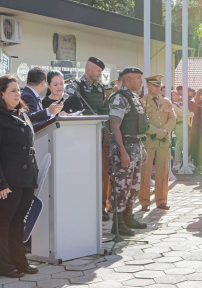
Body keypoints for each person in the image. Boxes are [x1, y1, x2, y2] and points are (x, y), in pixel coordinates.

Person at [0, 75, 39, 277]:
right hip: (8, 179)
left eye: (18, 90)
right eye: (13, 90)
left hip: (25, 177)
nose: (18, 94)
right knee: (3, 222)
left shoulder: (20, 114)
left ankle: (19, 261)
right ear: (2, 93)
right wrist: (0, 182)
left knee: (18, 221)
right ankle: (1, 265)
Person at [64, 57, 110, 221]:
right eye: (98, 71)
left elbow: (103, 108)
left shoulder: (100, 88)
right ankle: (83, 205)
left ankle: (101, 207)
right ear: (89, 69)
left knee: (101, 172)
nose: (99, 74)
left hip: (99, 134)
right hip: (81, 138)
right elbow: (67, 107)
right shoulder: (75, 86)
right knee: (84, 173)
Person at [106, 67, 149, 237]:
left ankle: (128, 217)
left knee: (133, 185)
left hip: (135, 145)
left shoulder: (134, 98)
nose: (141, 81)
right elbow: (114, 125)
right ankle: (117, 224)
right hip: (124, 147)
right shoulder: (119, 98)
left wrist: (142, 148)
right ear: (128, 80)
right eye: (138, 78)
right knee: (121, 187)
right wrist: (122, 151)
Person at [139, 75, 176, 211]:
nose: (157, 87)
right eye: (155, 85)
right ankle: (144, 201)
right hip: (149, 141)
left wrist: (164, 130)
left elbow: (172, 119)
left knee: (163, 172)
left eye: (159, 85)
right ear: (148, 86)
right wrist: (156, 131)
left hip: (163, 141)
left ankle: (161, 200)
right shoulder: (142, 102)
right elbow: (142, 121)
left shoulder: (166, 102)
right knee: (146, 172)